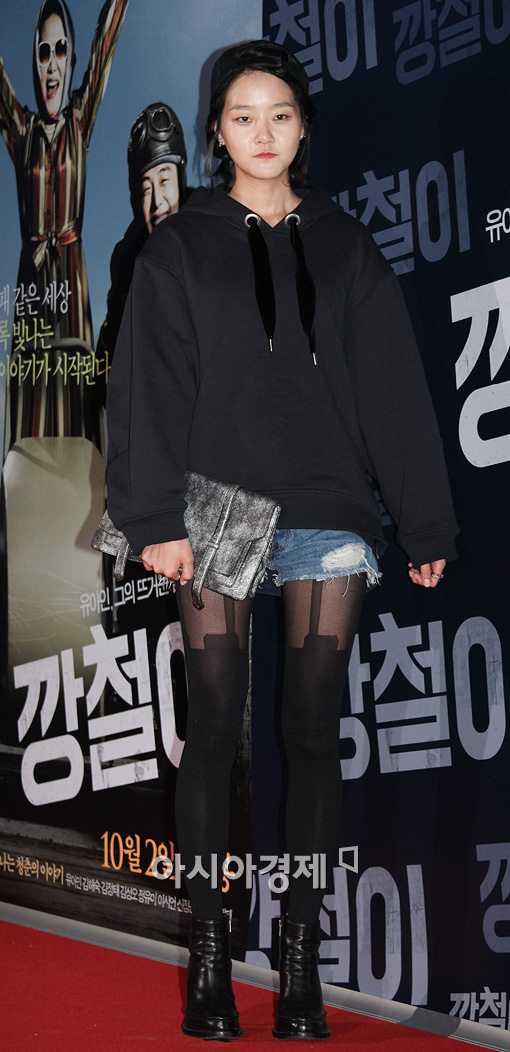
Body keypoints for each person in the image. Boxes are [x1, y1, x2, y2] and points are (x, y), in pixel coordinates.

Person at [106, 40, 458, 1042]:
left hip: (328, 508)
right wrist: (153, 521)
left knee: (311, 731)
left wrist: (424, 517)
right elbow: (146, 386)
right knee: (215, 727)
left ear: (303, 128)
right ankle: (210, 955)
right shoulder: (180, 245)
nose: (263, 133)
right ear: (217, 131)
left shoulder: (346, 246)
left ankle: (300, 961)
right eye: (243, 115)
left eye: (282, 115)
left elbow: (392, 387)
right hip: (213, 507)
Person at [0, 0, 128, 445]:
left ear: (71, 61)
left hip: (71, 278)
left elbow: (104, 44)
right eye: (43, 52)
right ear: (35, 64)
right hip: (32, 282)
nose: (52, 64)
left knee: (75, 398)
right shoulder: (21, 131)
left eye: (60, 50)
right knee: (31, 401)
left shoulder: (79, 120)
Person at [96, 101, 187, 372]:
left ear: (180, 179)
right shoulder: (126, 263)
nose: (158, 201)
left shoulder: (214, 235)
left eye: (164, 181)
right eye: (146, 189)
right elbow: (109, 352)